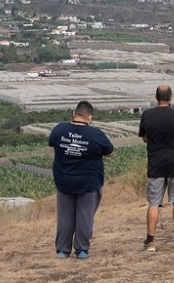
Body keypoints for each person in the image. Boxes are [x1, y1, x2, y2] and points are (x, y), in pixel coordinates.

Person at [48, 100, 114, 260]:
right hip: (88, 183)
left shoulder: (59, 130)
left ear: (74, 113)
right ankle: (81, 249)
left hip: (64, 181)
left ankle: (63, 250)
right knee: (85, 216)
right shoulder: (96, 135)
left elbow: (52, 143)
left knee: (65, 217)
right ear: (89, 117)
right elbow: (110, 151)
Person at [139, 84, 174, 251]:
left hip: (155, 162)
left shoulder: (147, 115)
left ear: (156, 98)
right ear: (171, 98)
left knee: (154, 203)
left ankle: (150, 242)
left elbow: (145, 138)